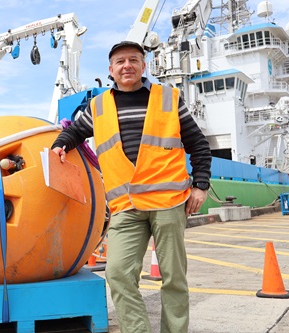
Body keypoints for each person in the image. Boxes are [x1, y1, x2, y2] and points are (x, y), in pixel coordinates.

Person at [51, 41, 212, 333]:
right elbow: (75, 131)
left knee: (174, 277)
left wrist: (200, 185)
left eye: (134, 60)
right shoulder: (98, 106)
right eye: (121, 61)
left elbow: (198, 144)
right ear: (111, 70)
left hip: (169, 202)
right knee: (118, 274)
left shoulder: (168, 98)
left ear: (144, 65)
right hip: (125, 206)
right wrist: (60, 144)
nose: (127, 66)